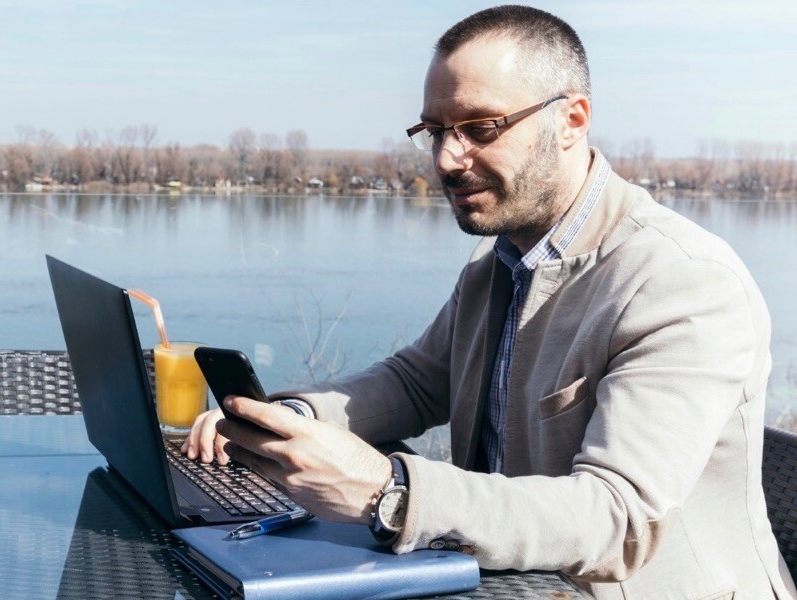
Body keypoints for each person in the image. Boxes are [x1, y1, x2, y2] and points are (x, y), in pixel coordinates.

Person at [182, 5, 796, 598]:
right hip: (504, 584)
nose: (448, 159)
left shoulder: (681, 281)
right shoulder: (501, 257)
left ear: (573, 120)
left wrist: (386, 493)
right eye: (435, 131)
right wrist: (290, 422)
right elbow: (418, 382)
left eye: (481, 128)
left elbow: (618, 519)